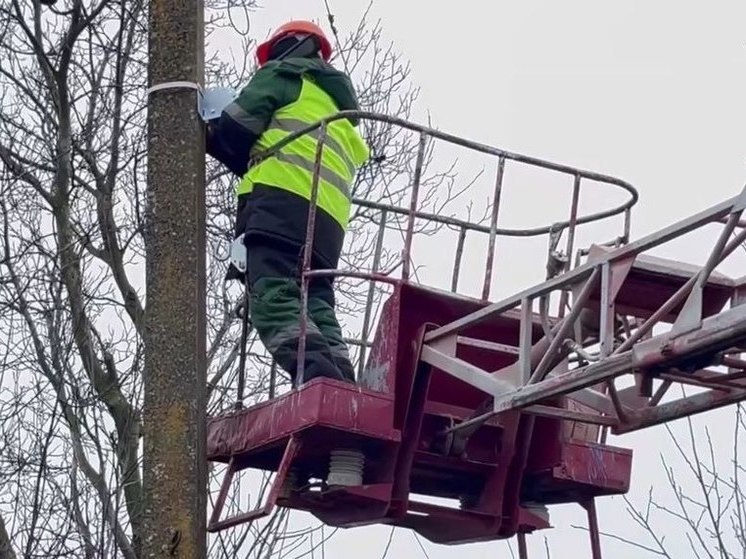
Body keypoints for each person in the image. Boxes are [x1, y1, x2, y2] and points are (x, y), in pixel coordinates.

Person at [206, 20, 370, 387]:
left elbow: (236, 127)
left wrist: (210, 131)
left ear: (288, 47)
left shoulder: (282, 75)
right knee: (317, 307)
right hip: (327, 228)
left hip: (280, 209)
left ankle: (320, 379)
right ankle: (344, 385)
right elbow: (281, 150)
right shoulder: (338, 112)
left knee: (274, 296)